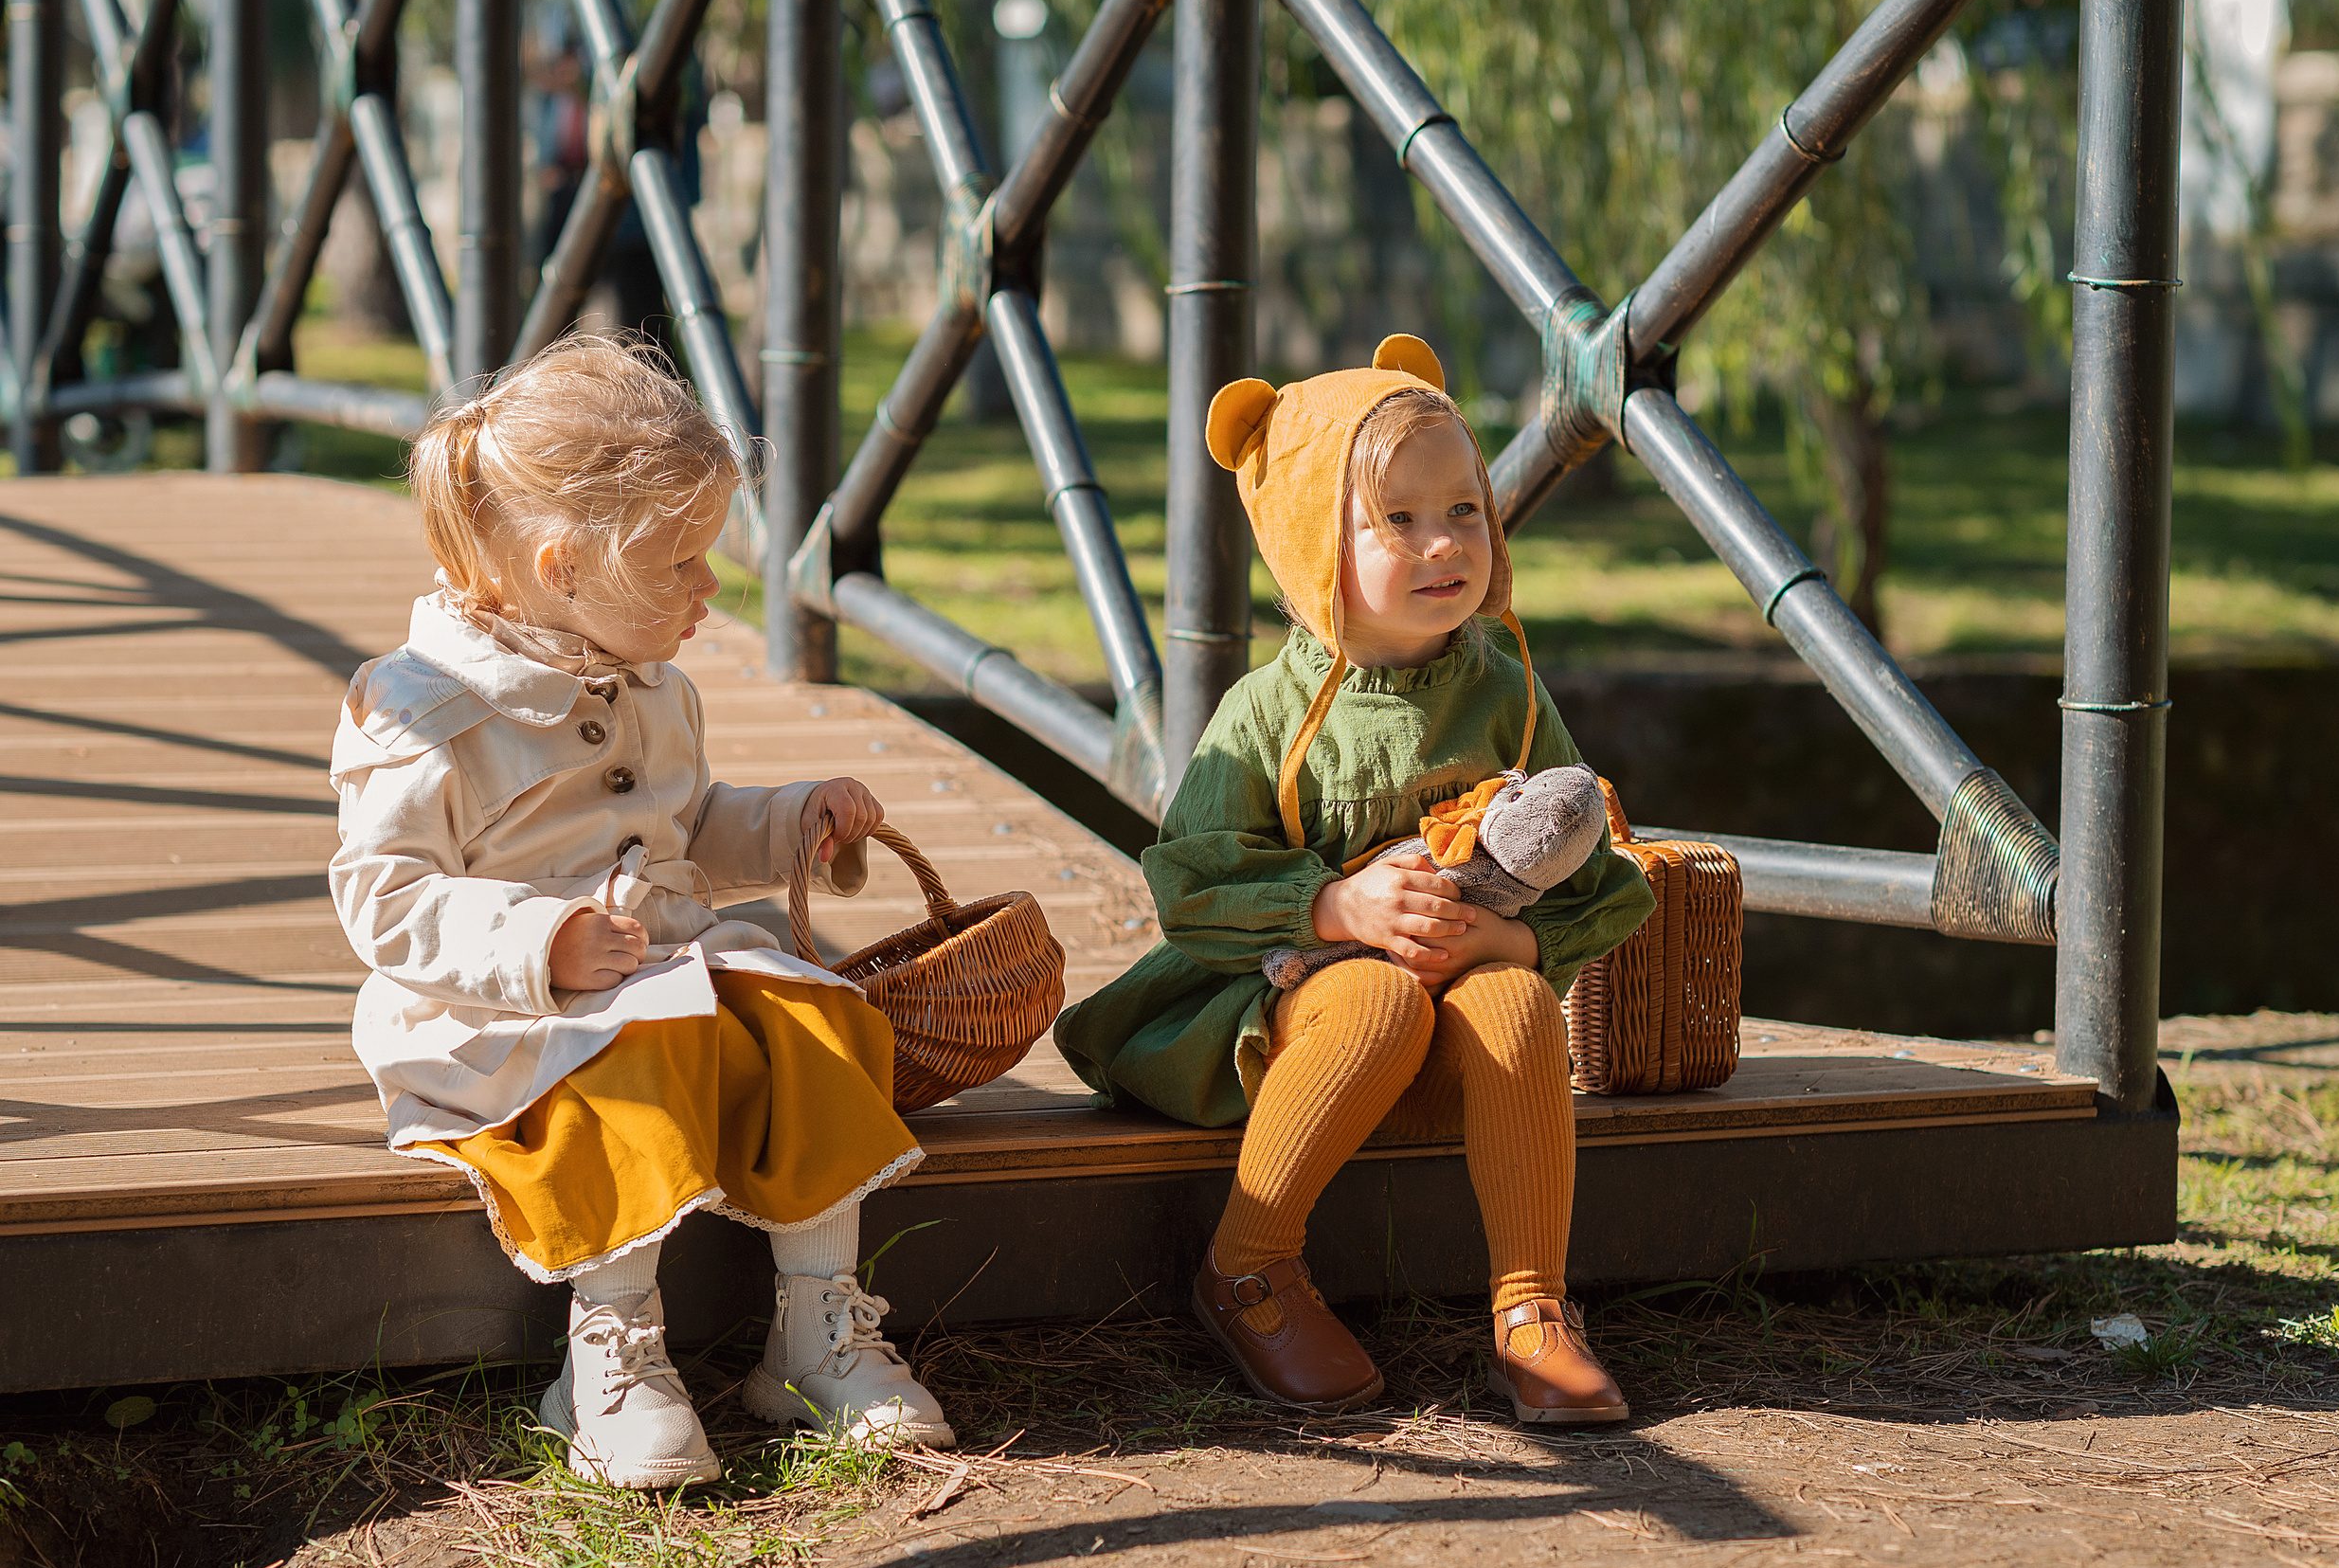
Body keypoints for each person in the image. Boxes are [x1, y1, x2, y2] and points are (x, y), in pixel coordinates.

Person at [329, 336, 955, 1488]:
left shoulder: (653, 683)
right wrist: (540, 942)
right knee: (639, 1056)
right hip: (503, 1013)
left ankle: (814, 1335)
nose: (709, 591)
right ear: (564, 566)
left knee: (816, 1018)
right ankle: (607, 1355)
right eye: (681, 564)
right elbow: (388, 896)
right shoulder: (424, 714)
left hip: (661, 960)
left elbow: (688, 825)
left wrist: (790, 820)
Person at [1056, 336, 1655, 1425]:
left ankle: (1531, 1305)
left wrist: (1510, 942)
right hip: (1295, 1017)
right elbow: (1191, 884)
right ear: (1306, 543)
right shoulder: (1266, 714)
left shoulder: (1509, 693)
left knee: (1519, 1001)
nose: (1442, 545)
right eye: (1398, 521)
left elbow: (1591, 866)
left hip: (1456, 1035)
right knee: (1373, 991)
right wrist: (1335, 904)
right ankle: (1247, 1265)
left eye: (1463, 510)